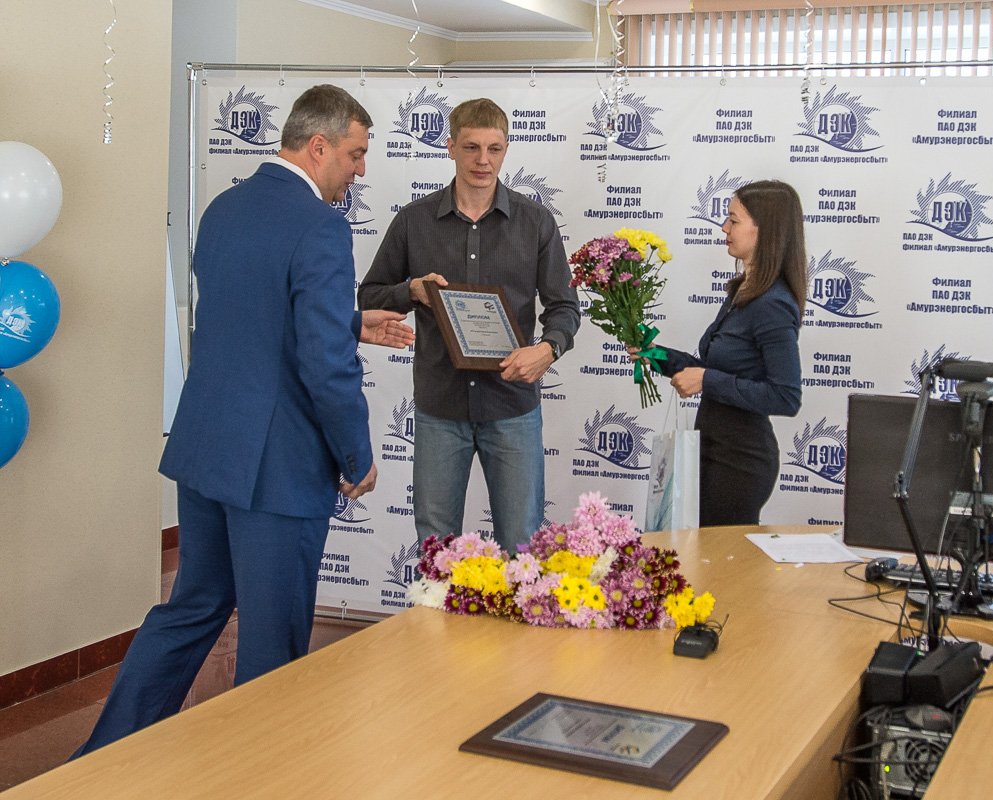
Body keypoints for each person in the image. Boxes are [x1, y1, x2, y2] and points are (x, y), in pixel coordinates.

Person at [73, 85, 414, 757]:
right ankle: (261, 774)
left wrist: (351, 321)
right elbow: (323, 362)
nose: (360, 169)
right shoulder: (321, 225)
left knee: (190, 609)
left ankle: (99, 761)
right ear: (318, 146)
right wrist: (356, 454)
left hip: (207, 447)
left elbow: (251, 315)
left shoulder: (224, 208)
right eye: (355, 154)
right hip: (276, 465)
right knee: (272, 640)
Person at [358, 98, 580, 553]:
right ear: (450, 147)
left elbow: (565, 307)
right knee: (436, 547)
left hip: (512, 407)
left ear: (506, 149)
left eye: (494, 149)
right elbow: (370, 295)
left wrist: (548, 349)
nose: (483, 160)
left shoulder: (536, 221)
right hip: (440, 407)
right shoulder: (414, 220)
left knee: (522, 546)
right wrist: (411, 291)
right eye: (472, 147)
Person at [635, 180, 805, 527]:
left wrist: (707, 381)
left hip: (740, 464)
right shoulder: (743, 292)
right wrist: (655, 355)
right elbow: (712, 369)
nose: (724, 228)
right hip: (714, 452)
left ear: (765, 230)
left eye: (734, 220)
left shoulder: (772, 304)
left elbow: (786, 396)